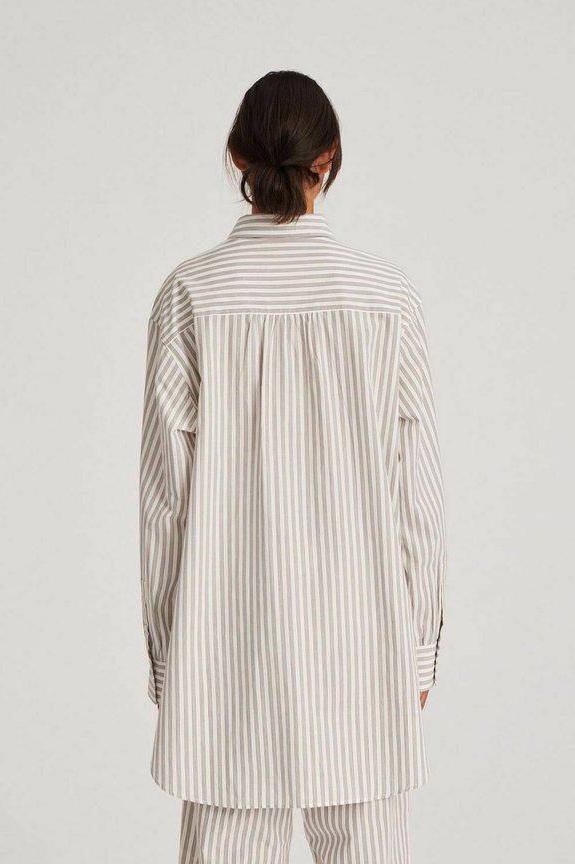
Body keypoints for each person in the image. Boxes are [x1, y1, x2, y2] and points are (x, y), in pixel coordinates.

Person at [138, 70, 447, 864]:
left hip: (225, 651)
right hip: (366, 644)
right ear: (329, 158)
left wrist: (171, 663)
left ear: (237, 156)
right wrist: (418, 651)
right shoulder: (387, 298)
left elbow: (164, 504)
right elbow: (417, 494)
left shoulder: (190, 295)